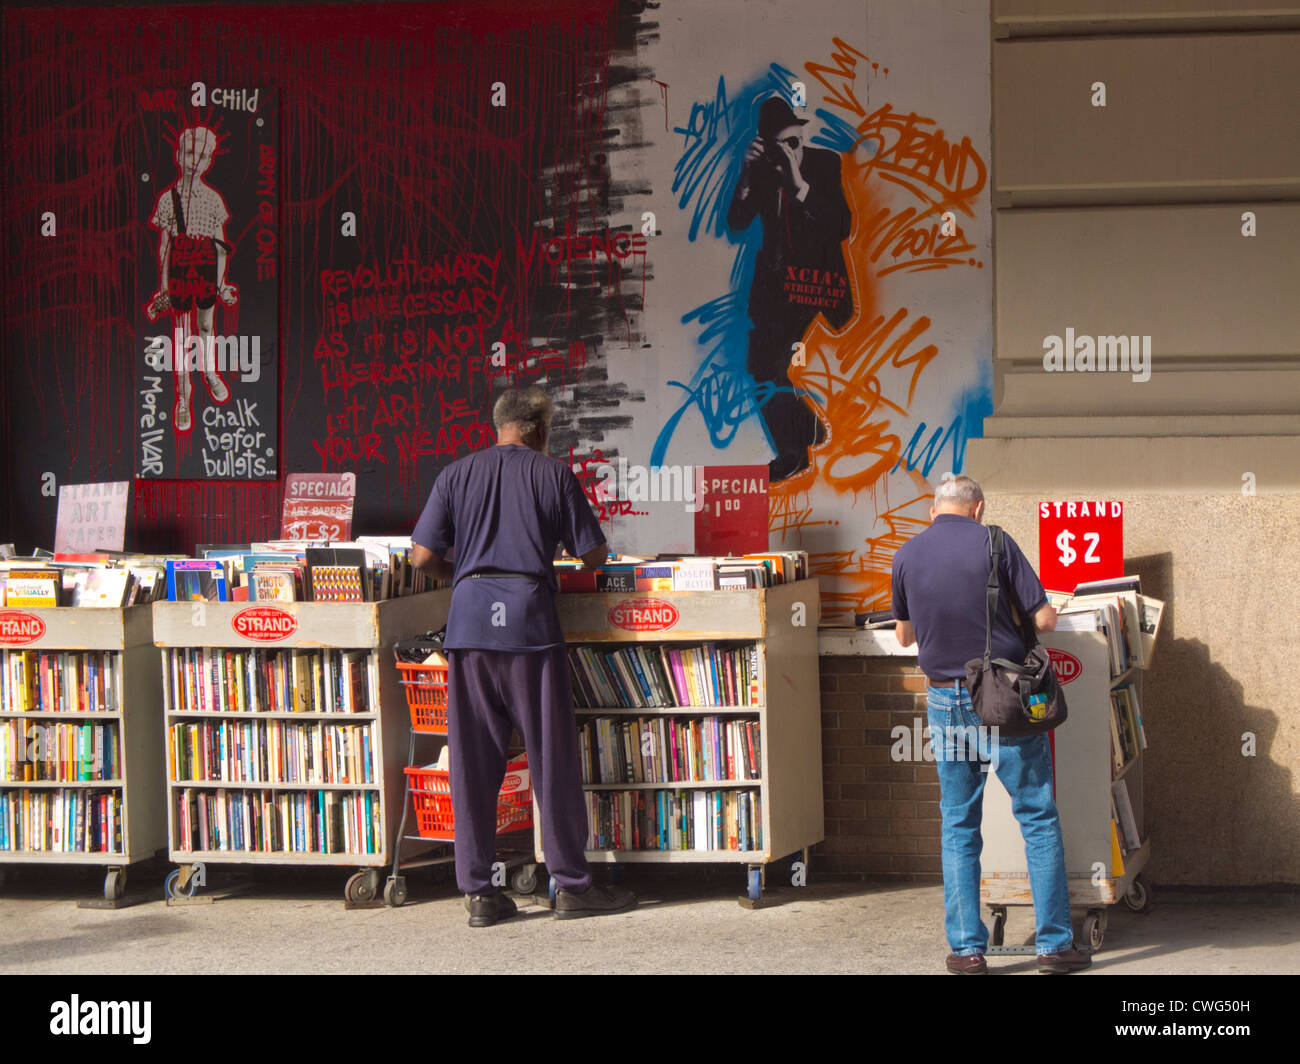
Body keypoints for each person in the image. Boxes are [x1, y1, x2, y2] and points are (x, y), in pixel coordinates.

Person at [411, 385, 637, 927]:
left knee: (471, 763)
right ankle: (570, 885)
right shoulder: (552, 474)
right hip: (529, 623)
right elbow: (594, 554)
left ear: (498, 426)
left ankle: (479, 895)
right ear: (540, 429)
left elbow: (422, 557)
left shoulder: (455, 474)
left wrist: (464, 578)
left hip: (468, 624)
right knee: (550, 758)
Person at [891, 474, 1091, 974]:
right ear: (977, 508)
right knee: (1037, 816)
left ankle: (967, 951)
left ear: (935, 510)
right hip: (1002, 704)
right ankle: (1053, 946)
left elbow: (903, 636)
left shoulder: (907, 554)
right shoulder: (997, 542)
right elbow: (1044, 622)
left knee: (959, 825)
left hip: (946, 705)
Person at [727, 94, 853, 483]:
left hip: (818, 285)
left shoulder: (824, 164)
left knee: (768, 365)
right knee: (761, 367)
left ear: (803, 137)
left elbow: (842, 226)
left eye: (795, 143)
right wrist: (748, 177)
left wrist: (799, 184)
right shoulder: (762, 171)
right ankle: (808, 431)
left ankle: (795, 452)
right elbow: (736, 223)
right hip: (776, 285)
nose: (790, 153)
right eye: (780, 146)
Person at [145, 125, 238, 433]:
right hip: (180, 272)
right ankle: (183, 396)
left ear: (210, 161)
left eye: (202, 156)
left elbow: (221, 246)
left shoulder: (213, 200)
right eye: (189, 153)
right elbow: (165, 246)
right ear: (177, 154)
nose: (195, 161)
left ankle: (210, 373)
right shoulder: (168, 199)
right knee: (182, 333)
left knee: (207, 326)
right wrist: (163, 285)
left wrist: (222, 284)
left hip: (207, 269)